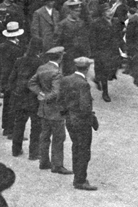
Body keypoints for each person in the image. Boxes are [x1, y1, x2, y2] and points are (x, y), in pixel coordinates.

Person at [28, 46, 71, 175]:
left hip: (43, 109)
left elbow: (31, 83)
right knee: (58, 137)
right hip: (55, 110)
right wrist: (47, 97)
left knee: (44, 136)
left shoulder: (42, 68)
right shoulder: (57, 73)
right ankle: (57, 165)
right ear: (60, 57)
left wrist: (40, 94)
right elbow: (56, 92)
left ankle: (44, 161)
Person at [59, 57, 99, 191]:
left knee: (76, 148)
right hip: (81, 122)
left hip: (70, 120)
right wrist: (92, 119)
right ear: (87, 69)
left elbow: (60, 100)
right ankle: (80, 180)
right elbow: (85, 107)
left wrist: (66, 114)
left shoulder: (66, 79)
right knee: (83, 152)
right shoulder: (83, 84)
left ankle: (78, 177)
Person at [9, 38, 43, 159]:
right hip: (33, 98)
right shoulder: (40, 63)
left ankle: (16, 150)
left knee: (19, 123)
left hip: (19, 97)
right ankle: (34, 153)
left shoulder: (19, 61)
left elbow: (12, 79)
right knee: (36, 126)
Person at [0, 22, 25, 138]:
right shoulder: (16, 49)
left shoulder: (2, 46)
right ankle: (11, 130)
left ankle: (6, 126)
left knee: (7, 104)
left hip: (5, 79)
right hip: (14, 79)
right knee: (14, 105)